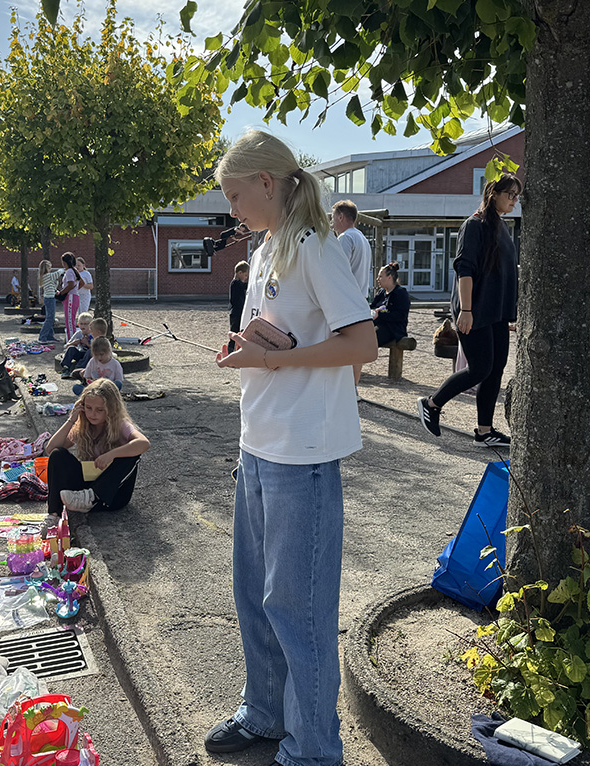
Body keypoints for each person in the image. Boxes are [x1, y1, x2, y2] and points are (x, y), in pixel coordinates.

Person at [205, 129, 376, 766]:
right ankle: (268, 713)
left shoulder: (313, 247)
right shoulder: (273, 244)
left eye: (235, 193)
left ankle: (312, 750)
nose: (232, 208)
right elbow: (289, 338)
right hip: (261, 442)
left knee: (297, 608)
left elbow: (361, 343)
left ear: (268, 183)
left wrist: (277, 362)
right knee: (254, 594)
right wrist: (251, 350)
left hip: (301, 453)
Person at [417, 174, 521, 449]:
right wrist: (466, 309)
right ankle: (431, 403)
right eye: (510, 194)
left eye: (517, 196)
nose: (514, 200)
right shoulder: (474, 225)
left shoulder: (501, 226)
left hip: (496, 312)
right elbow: (465, 269)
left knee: (496, 368)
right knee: (480, 368)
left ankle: (484, 432)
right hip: (473, 309)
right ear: (493, 193)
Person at [44, 379, 149, 516]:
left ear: (111, 410)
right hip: (83, 493)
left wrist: (112, 454)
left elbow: (144, 443)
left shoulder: (120, 424)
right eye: (88, 408)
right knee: (58, 454)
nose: (93, 414)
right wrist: (72, 419)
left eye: (100, 410)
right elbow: (51, 449)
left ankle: (93, 497)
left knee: (133, 453)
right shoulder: (84, 425)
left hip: (111, 496)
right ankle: (53, 515)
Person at [333, 200, 374, 385]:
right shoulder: (362, 238)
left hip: (346, 300)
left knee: (342, 345)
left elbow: (339, 270)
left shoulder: (345, 238)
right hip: (362, 298)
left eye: (334, 217)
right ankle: (353, 388)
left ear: (341, 216)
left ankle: (345, 388)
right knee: (356, 347)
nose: (332, 223)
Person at [370, 261, 412, 348]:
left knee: (370, 339)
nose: (377, 279)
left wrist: (380, 314)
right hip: (378, 324)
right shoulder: (381, 292)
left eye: (380, 276)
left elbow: (400, 316)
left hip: (393, 329)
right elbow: (372, 306)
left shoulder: (400, 294)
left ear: (389, 277)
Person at [57, 252, 82, 340]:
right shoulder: (75, 271)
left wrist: (61, 293)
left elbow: (71, 284)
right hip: (73, 296)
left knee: (69, 321)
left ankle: (71, 341)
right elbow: (81, 283)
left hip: (70, 297)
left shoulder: (69, 271)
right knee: (70, 320)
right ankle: (71, 340)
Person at [60, 312, 94, 376]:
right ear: (78, 324)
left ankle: (79, 368)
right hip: (80, 353)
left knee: (90, 351)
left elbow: (97, 349)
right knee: (71, 348)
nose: (83, 326)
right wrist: (73, 343)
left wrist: (87, 344)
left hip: (89, 356)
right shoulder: (78, 333)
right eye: (81, 324)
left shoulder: (93, 334)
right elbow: (66, 346)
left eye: (86, 324)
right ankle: (66, 367)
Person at [229, 260, 249, 351]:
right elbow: (244, 285)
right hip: (236, 313)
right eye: (245, 275)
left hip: (239, 312)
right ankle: (230, 350)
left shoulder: (238, 284)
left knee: (239, 332)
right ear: (240, 273)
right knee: (234, 332)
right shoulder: (235, 283)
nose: (246, 278)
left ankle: (237, 350)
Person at [38, 259, 59, 343]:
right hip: (50, 298)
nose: (51, 269)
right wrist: (65, 269)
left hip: (50, 297)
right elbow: (58, 273)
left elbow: (52, 287)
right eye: (50, 267)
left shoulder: (45, 276)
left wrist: (56, 290)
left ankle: (49, 336)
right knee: (50, 318)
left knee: (50, 317)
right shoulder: (48, 276)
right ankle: (42, 337)